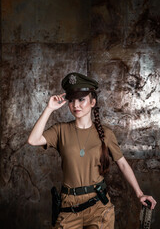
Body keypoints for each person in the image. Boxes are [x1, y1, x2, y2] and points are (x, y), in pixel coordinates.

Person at [28, 72, 156, 229]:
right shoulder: (60, 130)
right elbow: (33, 140)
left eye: (81, 99)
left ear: (93, 102)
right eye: (72, 100)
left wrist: (139, 193)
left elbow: (122, 164)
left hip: (98, 206)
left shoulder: (106, 133)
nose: (76, 105)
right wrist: (49, 108)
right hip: (69, 206)